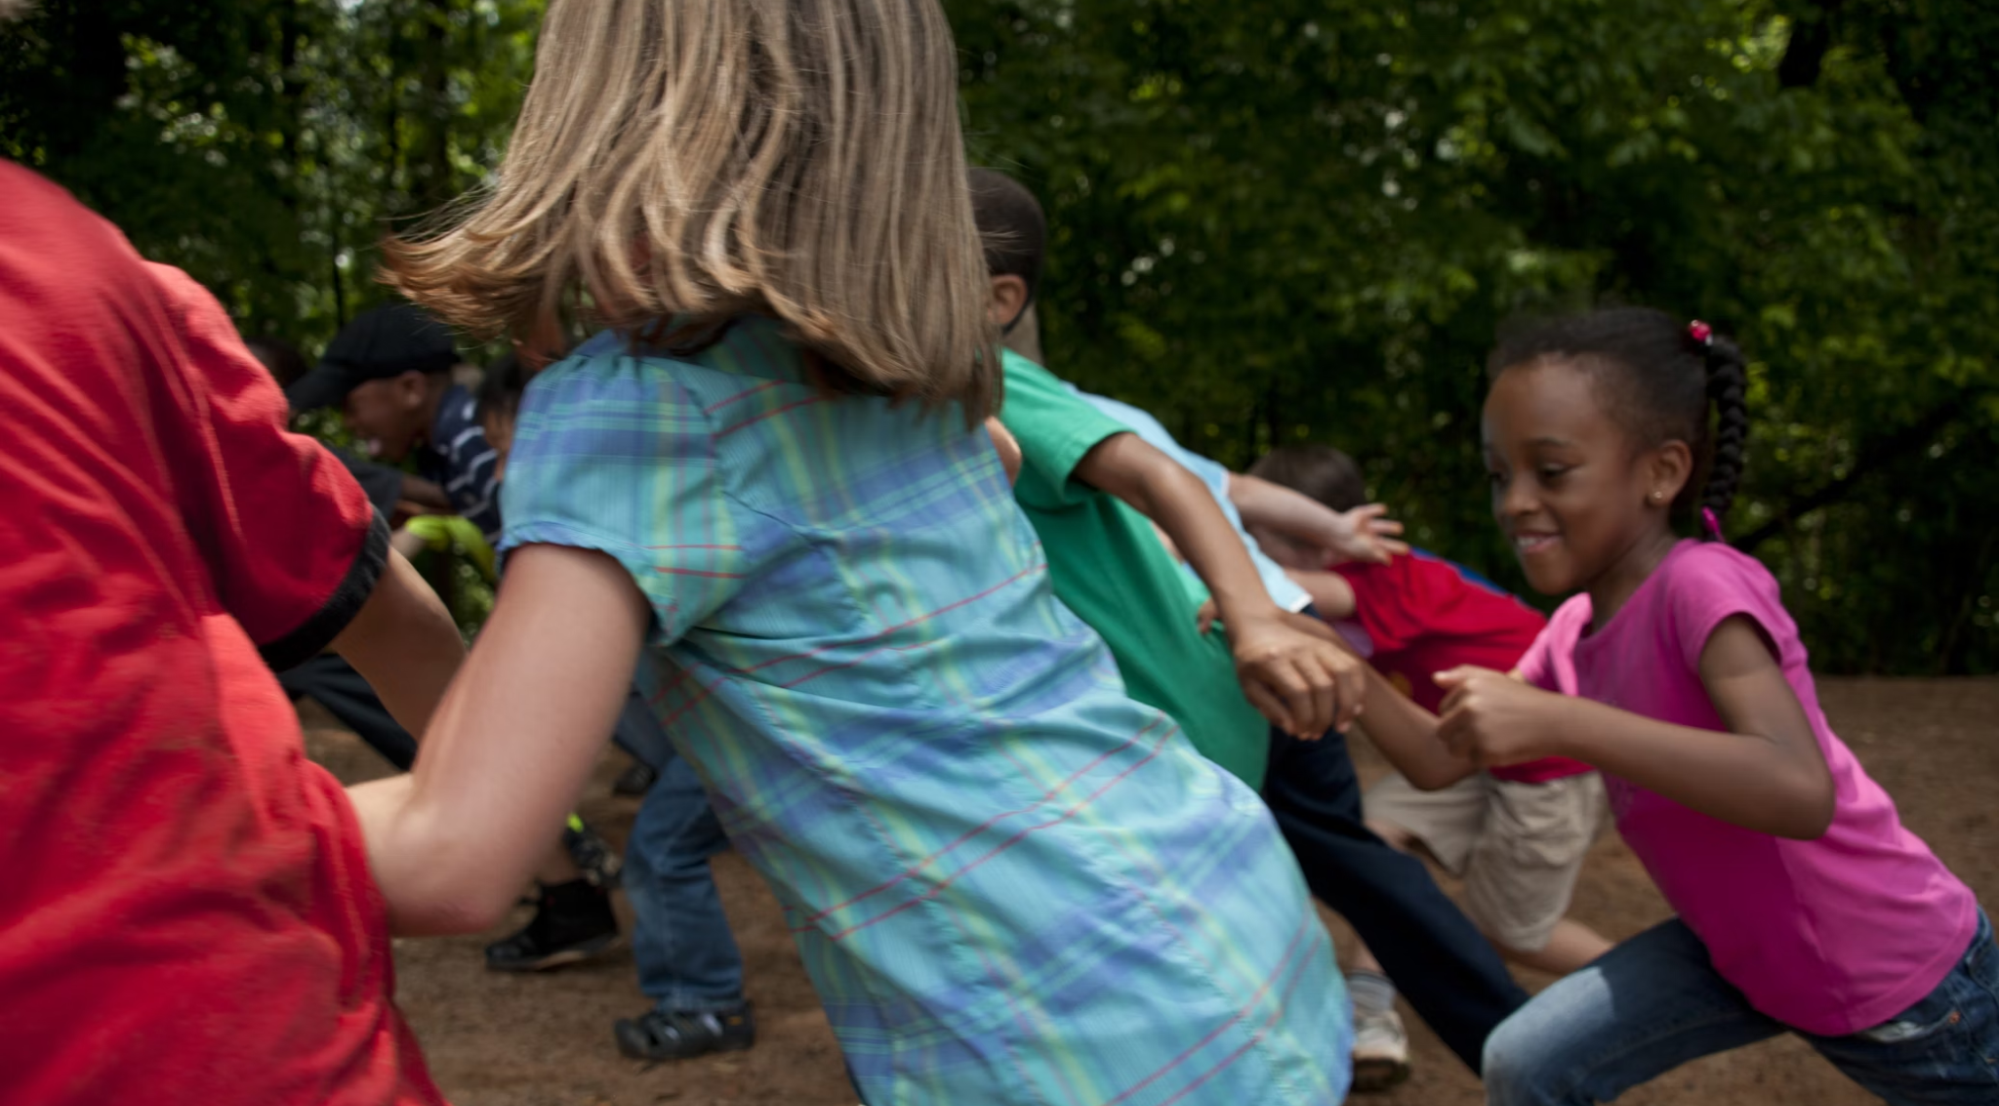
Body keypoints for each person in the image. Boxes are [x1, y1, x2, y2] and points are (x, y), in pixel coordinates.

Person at [349, 2, 1355, 1103]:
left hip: (1066, 1035)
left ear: (603, 121)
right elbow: (997, 466)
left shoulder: (639, 414)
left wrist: (161, 817)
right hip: (1225, 921)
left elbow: (458, 850)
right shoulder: (916, 370)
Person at [1353, 307, 1997, 1105]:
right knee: (1527, 1063)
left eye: (1548, 472)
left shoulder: (1703, 585)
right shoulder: (1571, 631)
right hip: (1738, 951)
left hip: (1899, 978)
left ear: (1660, 472)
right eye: (1498, 475)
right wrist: (1336, 668)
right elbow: (1436, 758)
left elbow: (1796, 790)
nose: (1514, 501)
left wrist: (1563, 722)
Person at [968, 166, 1529, 1079]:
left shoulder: (993, 386)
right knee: (1322, 880)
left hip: (1235, 668)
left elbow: (1183, 483)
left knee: (1324, 880)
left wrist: (1261, 616)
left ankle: (1502, 1048)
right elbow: (1220, 484)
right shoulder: (984, 401)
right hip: (1228, 671)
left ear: (999, 302)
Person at [0, 157, 468, 1105]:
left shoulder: (81, 267)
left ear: (410, 390)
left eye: (355, 400)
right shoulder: (82, 262)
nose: (349, 415)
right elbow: (392, 614)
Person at [1246, 444, 1615, 1087]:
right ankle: (1371, 1010)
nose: (1253, 548)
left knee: (1514, 934)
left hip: (1547, 760)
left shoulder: (1379, 576)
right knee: (1376, 845)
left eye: (1267, 537)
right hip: (1472, 748)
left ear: (1330, 534)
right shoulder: (1365, 574)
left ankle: (1642, 980)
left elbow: (1279, 590)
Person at [476, 351, 755, 1062]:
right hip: (708, 726)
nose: (502, 472)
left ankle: (708, 1003)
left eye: (514, 449)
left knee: (661, 852)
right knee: (665, 849)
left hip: (736, 724)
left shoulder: (611, 509)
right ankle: (689, 995)